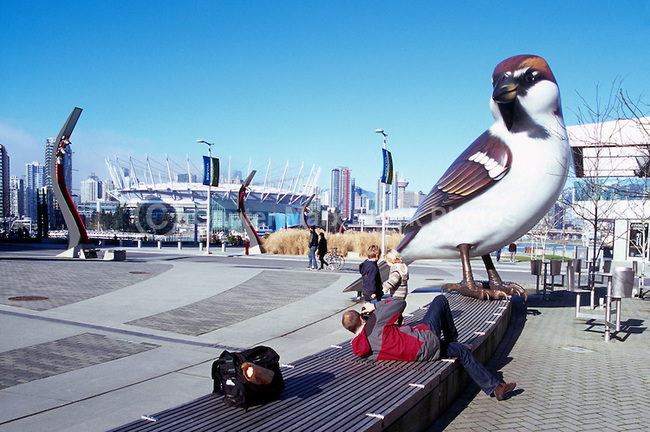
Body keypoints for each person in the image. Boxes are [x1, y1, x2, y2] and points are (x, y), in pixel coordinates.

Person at [341, 295, 517, 401]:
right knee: (440, 300)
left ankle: (497, 388)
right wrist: (376, 306)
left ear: (350, 331)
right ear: (362, 318)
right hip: (427, 341)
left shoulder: (359, 350)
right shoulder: (373, 322)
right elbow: (400, 303)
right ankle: (454, 341)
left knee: (462, 352)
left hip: (419, 355)